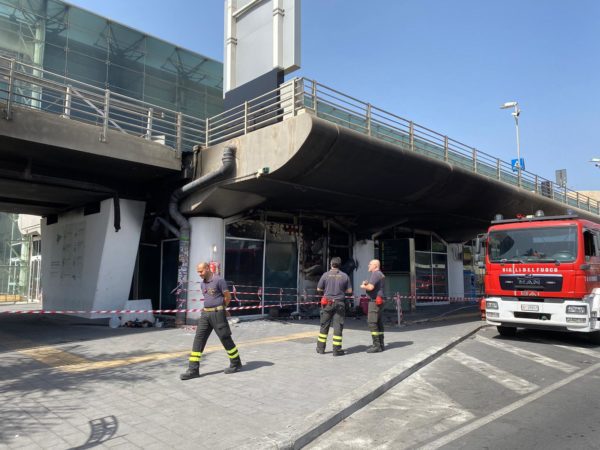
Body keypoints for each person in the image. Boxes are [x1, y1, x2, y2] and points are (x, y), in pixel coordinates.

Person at [180, 262, 242, 380]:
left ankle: (236, 363)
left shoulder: (219, 280)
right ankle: (193, 369)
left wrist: (223, 308)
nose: (199, 274)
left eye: (201, 271)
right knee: (199, 339)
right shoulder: (202, 284)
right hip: (205, 314)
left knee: (225, 338)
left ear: (208, 268)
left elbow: (227, 296)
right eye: (198, 271)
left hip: (217, 313)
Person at [316, 256, 352, 356]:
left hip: (327, 303)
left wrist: (326, 293)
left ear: (331, 264)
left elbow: (319, 289)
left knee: (324, 325)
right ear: (340, 265)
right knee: (338, 327)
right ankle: (337, 350)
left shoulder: (325, 275)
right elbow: (349, 291)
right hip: (340, 303)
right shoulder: (345, 276)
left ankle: (320, 348)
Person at [360, 259, 386, 353]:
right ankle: (381, 344)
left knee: (372, 323)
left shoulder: (375, 274)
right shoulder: (380, 274)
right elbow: (374, 286)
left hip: (374, 302)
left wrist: (363, 286)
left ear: (375, 265)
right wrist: (368, 284)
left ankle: (376, 345)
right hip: (379, 301)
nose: (368, 265)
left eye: (370, 264)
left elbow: (371, 287)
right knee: (378, 322)